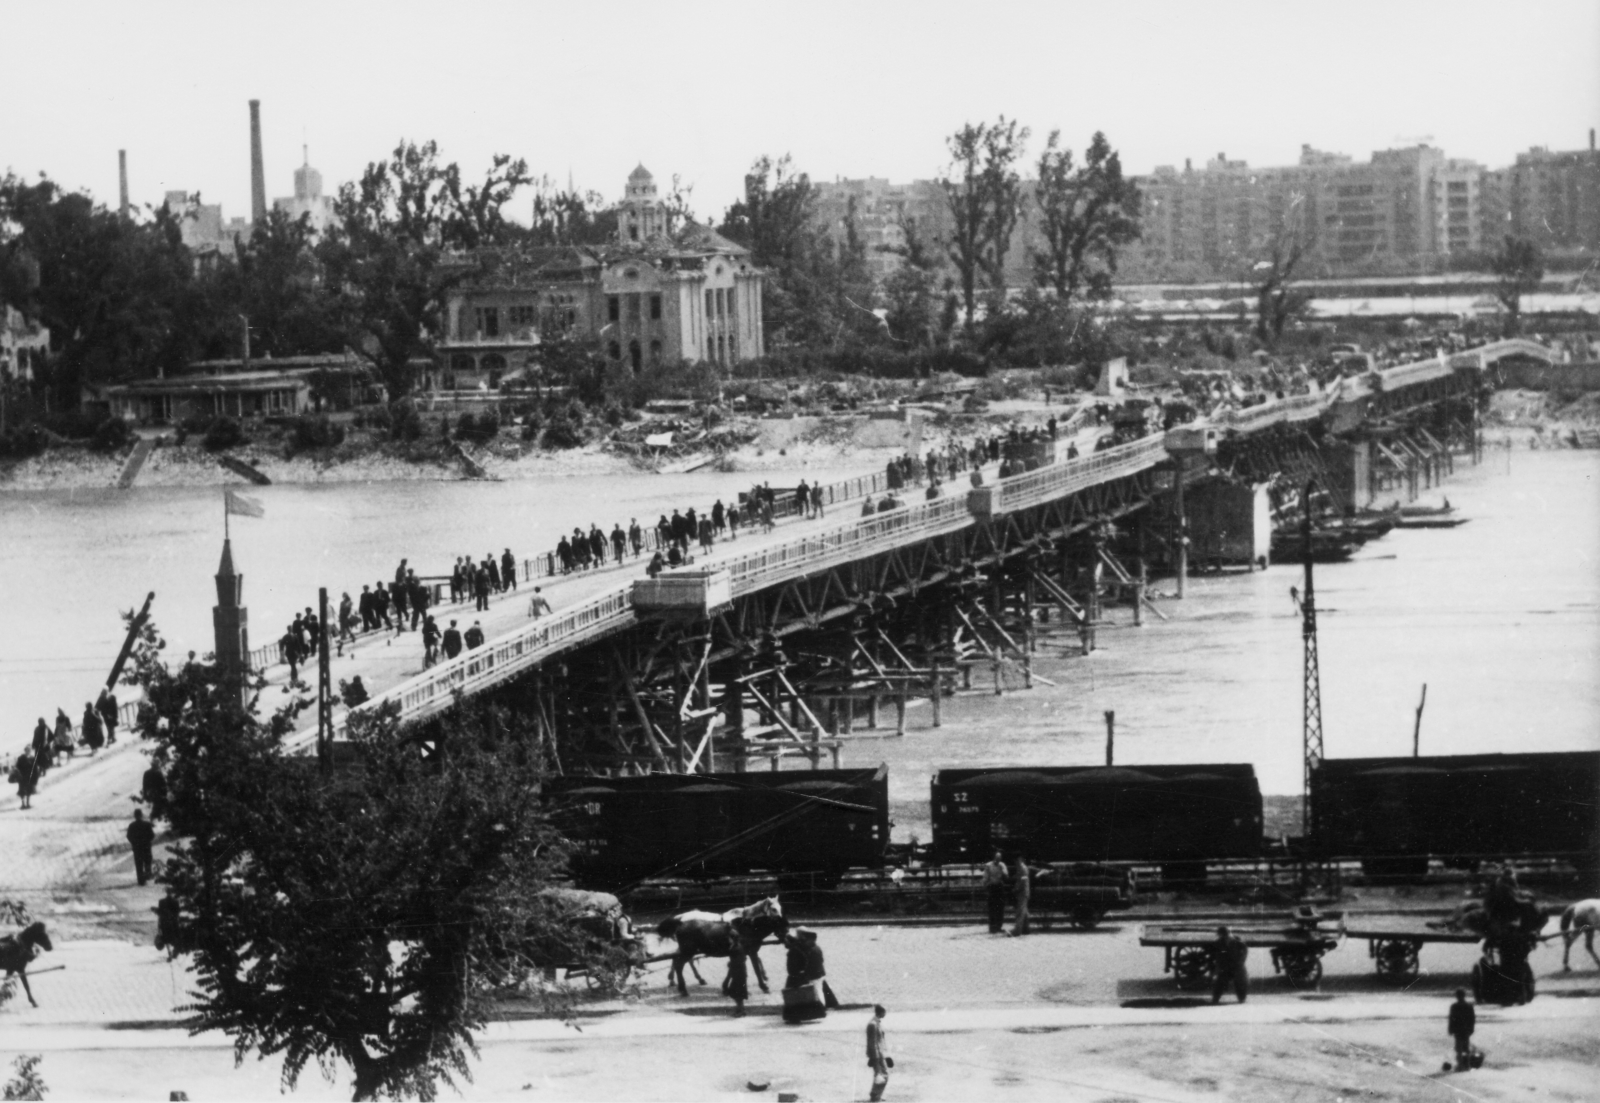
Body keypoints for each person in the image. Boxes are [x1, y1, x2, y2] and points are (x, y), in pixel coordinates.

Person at [1210, 925, 1249, 1004]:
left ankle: (1242, 998)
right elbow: (1218, 956)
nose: (1227, 937)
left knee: (1241, 980)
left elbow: (1244, 952)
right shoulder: (1219, 942)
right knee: (1220, 981)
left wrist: (1241, 962)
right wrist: (1219, 967)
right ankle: (1215, 999)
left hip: (1237, 965)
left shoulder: (1238, 941)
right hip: (1226, 965)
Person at [866, 1004, 891, 1102]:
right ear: (880, 1012)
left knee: (879, 1074)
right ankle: (876, 1096)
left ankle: (876, 1095)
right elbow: (872, 1042)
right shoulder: (873, 1024)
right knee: (883, 1075)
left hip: (880, 1053)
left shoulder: (877, 1023)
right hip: (877, 1054)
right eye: (884, 1012)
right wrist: (875, 1057)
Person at [1448, 987, 1477, 1071]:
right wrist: (1471, 1029)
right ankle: (1467, 1065)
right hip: (1466, 1029)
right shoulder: (1469, 1006)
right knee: (1466, 1047)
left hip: (1458, 1029)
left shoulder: (1454, 1006)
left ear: (1457, 996)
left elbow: (1451, 1018)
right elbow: (1472, 1019)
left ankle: (1460, 1065)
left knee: (1459, 1048)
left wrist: (1450, 1029)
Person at [127, 808, 156, 886]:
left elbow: (129, 836)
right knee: (147, 862)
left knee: (139, 864)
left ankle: (140, 880)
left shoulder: (132, 825)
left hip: (137, 848)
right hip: (146, 847)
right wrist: (147, 841)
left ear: (135, 816)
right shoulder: (147, 824)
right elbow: (152, 835)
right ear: (141, 815)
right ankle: (147, 876)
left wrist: (134, 842)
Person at [983, 850, 1009, 934]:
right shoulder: (988, 865)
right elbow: (986, 877)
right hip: (992, 887)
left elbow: (1006, 876)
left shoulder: (1002, 865)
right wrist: (985, 886)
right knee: (992, 908)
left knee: (1000, 908)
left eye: (999, 858)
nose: (998, 859)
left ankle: (999, 926)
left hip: (1000, 887)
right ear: (994, 857)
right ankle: (992, 927)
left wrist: (1003, 871)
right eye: (996, 857)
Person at [725, 936, 750, 1017]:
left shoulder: (735, 948)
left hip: (738, 973)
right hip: (740, 972)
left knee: (737, 992)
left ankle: (740, 1010)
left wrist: (730, 964)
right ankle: (740, 1009)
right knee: (738, 992)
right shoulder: (738, 946)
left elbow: (737, 961)